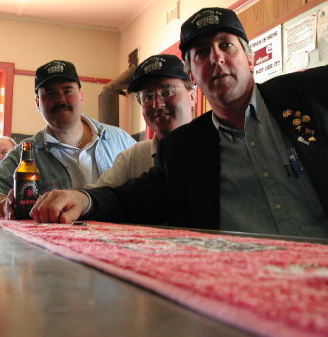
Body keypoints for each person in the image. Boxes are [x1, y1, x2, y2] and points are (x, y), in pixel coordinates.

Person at [30, 8, 328, 239]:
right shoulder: (182, 148)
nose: (216, 58)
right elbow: (133, 198)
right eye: (200, 53)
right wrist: (82, 198)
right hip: (239, 289)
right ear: (193, 75)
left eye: (227, 46)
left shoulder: (313, 93)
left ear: (250, 57)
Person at [0, 60, 136, 218]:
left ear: (81, 96)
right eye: (50, 93)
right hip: (51, 242)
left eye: (67, 91)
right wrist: (0, 204)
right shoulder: (24, 153)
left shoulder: (120, 139)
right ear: (38, 103)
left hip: (117, 239)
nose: (61, 99)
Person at [88, 54, 195, 188]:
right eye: (148, 96)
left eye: (168, 92)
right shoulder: (134, 157)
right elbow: (100, 195)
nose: (157, 104)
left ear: (192, 97)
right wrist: (80, 198)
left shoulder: (217, 147)